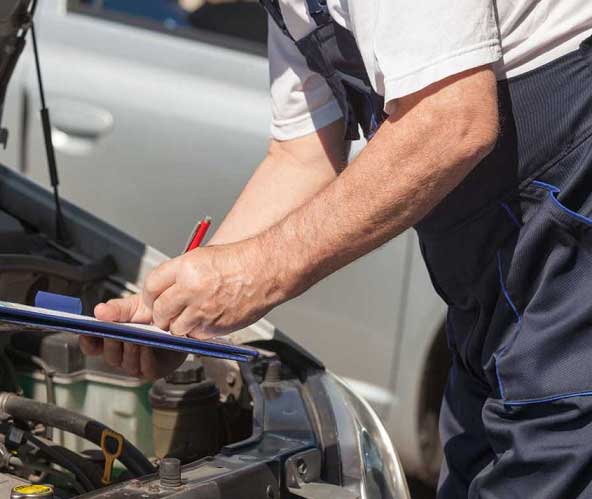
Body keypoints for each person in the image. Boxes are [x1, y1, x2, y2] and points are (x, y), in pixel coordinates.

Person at [81, 0, 592, 496]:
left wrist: (259, 269)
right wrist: (178, 315)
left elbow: (451, 120)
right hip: (492, 314)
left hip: (566, 292)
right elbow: (300, 154)